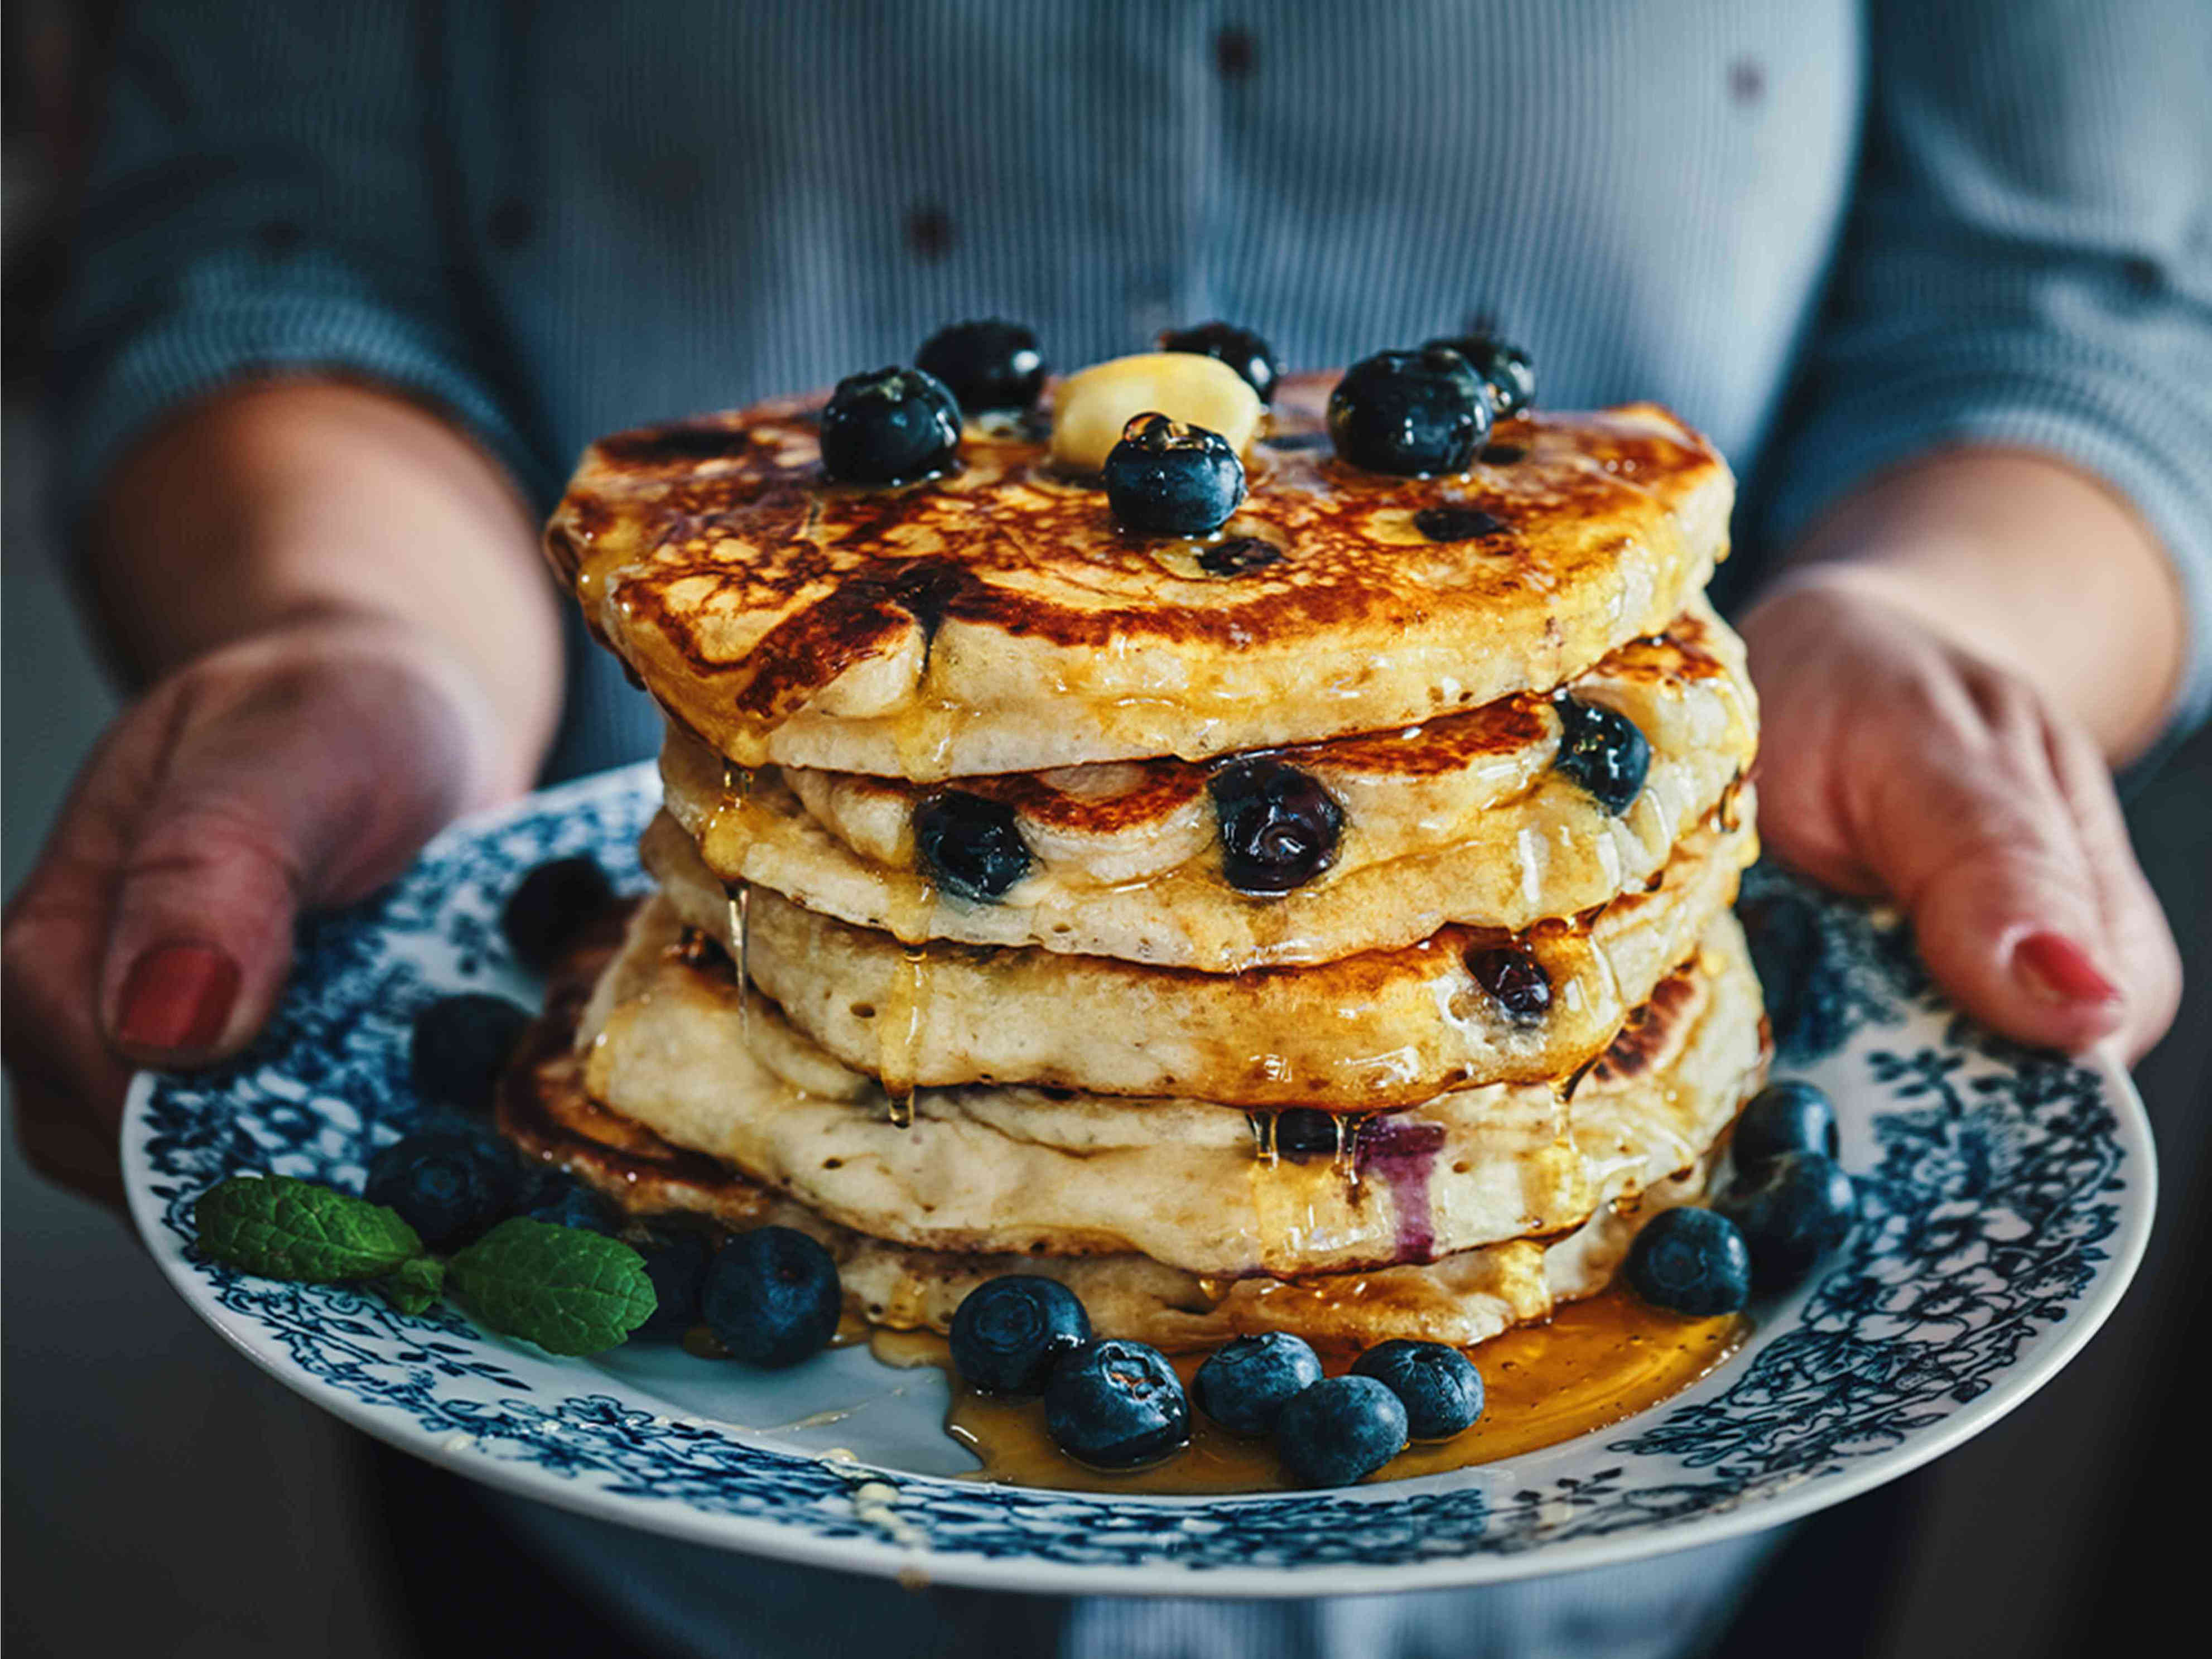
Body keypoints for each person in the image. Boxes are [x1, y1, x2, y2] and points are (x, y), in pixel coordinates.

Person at [6, 2, 2204, 1654]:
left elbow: (2071, 301)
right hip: (664, 1527)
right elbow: (259, 245)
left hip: (1651, 1561)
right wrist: (342, 627)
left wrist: (1926, 625)